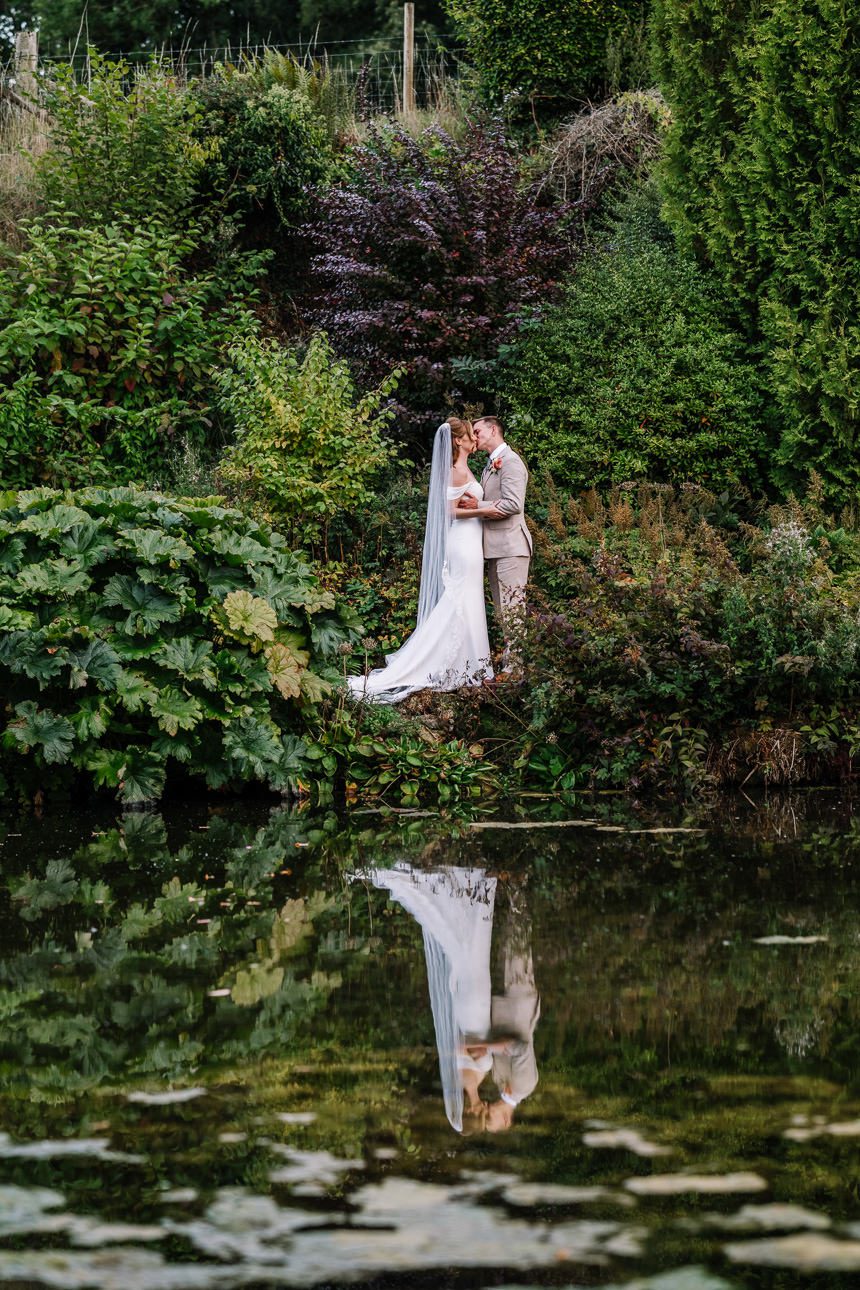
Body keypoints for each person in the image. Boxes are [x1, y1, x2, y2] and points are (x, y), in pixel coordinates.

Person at [348, 419, 501, 702]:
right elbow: (448, 512)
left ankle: (471, 665)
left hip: (470, 542)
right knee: (460, 600)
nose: (474, 439)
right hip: (463, 544)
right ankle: (457, 666)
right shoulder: (455, 471)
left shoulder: (465, 468)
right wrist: (485, 511)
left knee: (467, 600)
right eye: (470, 435)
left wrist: (480, 509)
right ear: (459, 441)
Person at [459, 416, 532, 676]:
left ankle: (516, 671)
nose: (474, 436)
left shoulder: (510, 461)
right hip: (495, 549)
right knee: (503, 611)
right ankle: (511, 666)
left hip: (511, 547)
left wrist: (475, 507)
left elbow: (513, 505)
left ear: (493, 430)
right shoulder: (490, 464)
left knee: (513, 609)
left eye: (477, 431)